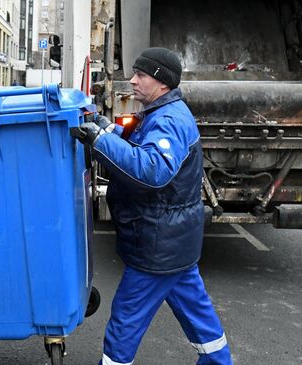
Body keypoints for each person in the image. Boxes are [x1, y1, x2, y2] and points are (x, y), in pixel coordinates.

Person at [73, 47, 233, 364]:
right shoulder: (163, 113)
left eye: (140, 75)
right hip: (174, 243)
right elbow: (139, 145)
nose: (132, 81)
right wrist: (106, 128)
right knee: (197, 314)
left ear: (161, 82)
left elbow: (152, 170)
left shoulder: (170, 121)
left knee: (125, 322)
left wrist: (99, 140)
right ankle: (219, 361)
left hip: (157, 246)